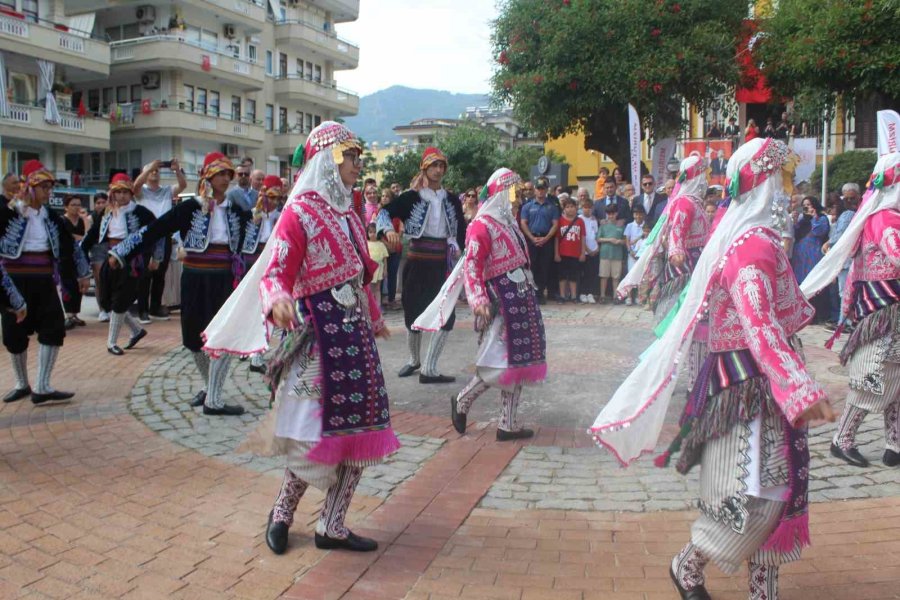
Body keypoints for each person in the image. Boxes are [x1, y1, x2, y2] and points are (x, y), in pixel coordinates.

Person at [591, 138, 835, 600]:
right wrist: (801, 389)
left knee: (773, 488)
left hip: (764, 381)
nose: (788, 191)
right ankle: (689, 562)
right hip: (747, 382)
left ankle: (763, 590)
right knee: (752, 492)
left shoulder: (753, 239)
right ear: (762, 186)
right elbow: (759, 326)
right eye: (781, 181)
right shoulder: (750, 250)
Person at [202, 121, 400, 555]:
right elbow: (275, 271)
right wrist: (277, 300)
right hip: (319, 340)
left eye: (357, 156)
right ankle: (282, 513)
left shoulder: (348, 212)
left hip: (354, 337)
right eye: (349, 156)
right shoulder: (299, 212)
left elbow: (360, 275)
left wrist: (373, 315)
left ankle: (332, 524)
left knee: (359, 430)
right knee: (314, 436)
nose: (357, 164)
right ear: (329, 160)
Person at [110, 152, 250, 416]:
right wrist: (121, 251)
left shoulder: (238, 211)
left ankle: (215, 400)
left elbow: (253, 241)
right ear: (208, 176)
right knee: (193, 337)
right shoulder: (189, 208)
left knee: (223, 334)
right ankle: (210, 388)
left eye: (227, 174)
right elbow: (155, 229)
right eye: (220, 174)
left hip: (223, 279)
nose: (225, 179)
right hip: (195, 277)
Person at [414, 168, 546, 441]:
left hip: (520, 300)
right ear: (501, 194)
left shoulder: (509, 225)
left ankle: (507, 424)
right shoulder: (481, 225)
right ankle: (463, 401)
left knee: (517, 363)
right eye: (514, 192)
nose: (518, 198)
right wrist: (478, 300)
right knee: (499, 363)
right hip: (501, 304)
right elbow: (471, 266)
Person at [800, 152, 900, 469]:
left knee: (896, 381)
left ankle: (894, 443)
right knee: (872, 377)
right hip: (882, 313)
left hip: (890, 313)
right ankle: (842, 439)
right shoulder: (884, 219)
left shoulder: (884, 216)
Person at [1, 160, 90, 404]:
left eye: (50, 188)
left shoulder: (50, 215)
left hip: (43, 279)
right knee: (14, 333)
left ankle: (42, 386)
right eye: (44, 187)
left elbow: (69, 244)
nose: (49, 192)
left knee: (53, 328)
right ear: (30, 186)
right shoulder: (8, 210)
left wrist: (83, 273)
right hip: (14, 281)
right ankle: (22, 384)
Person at [376, 147, 466, 383]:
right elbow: (383, 213)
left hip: (442, 264)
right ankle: (413, 359)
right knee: (413, 310)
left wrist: (463, 248)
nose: (438, 170)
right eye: (434, 165)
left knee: (446, 313)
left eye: (441, 166)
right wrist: (387, 230)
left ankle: (429, 368)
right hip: (416, 262)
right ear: (424, 168)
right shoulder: (411, 197)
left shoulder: (452, 199)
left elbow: (463, 231)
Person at [620, 154, 711, 322]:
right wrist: (676, 250)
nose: (706, 180)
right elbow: (677, 228)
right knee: (682, 311)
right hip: (685, 263)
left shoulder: (695, 202)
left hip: (697, 260)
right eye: (703, 175)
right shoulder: (685, 202)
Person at [80, 174, 156, 355]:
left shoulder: (141, 213)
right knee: (109, 300)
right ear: (112, 194)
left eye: (125, 192)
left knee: (121, 300)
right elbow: (92, 236)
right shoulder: (105, 214)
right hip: (111, 258)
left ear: (131, 193)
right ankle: (137, 330)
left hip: (132, 262)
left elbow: (156, 234)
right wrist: (81, 254)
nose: (121, 196)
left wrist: (155, 257)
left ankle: (111, 342)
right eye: (118, 192)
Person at [133, 159, 187, 323]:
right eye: (151, 171)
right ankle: (142, 310)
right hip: (146, 235)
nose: (154, 172)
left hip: (164, 235)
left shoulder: (166, 190)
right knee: (144, 275)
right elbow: (134, 187)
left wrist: (177, 171)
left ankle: (155, 307)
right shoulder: (141, 190)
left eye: (156, 171)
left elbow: (182, 186)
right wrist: (148, 168)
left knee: (160, 273)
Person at [241, 175, 283, 374]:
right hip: (251, 262)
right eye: (271, 197)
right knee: (250, 306)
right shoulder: (250, 214)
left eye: (277, 198)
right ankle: (247, 348)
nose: (274, 202)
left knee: (269, 307)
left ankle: (257, 354)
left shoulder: (283, 216)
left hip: (273, 263)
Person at [822, 183, 861, 331]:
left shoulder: (849, 214)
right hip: (848, 258)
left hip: (848, 258)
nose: (850, 201)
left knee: (845, 292)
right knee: (845, 292)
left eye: (853, 198)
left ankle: (845, 323)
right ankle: (843, 321)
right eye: (847, 198)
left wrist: (829, 244)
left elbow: (839, 236)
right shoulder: (852, 213)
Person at [519, 178, 560, 304]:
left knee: (544, 267)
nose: (540, 191)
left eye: (543, 189)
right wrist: (532, 238)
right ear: (535, 190)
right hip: (532, 239)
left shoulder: (552, 207)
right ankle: (531, 294)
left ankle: (540, 293)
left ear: (547, 190)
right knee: (532, 267)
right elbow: (523, 223)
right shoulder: (527, 206)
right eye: (538, 188)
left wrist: (546, 238)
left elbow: (555, 224)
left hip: (546, 240)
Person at [61, 195, 87, 329]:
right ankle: (69, 315)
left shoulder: (82, 221)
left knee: (79, 286)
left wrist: (84, 219)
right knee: (68, 285)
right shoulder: (62, 221)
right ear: (66, 206)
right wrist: (78, 238)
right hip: (65, 258)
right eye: (73, 204)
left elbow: (87, 236)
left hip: (80, 257)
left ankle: (75, 313)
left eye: (78, 204)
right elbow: (68, 238)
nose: (76, 207)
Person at [554, 196, 586, 303]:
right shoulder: (560, 221)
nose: (570, 209)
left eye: (572, 206)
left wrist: (582, 253)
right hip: (563, 253)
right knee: (562, 276)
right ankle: (562, 296)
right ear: (564, 209)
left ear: (576, 208)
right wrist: (556, 253)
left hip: (575, 253)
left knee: (573, 276)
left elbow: (582, 237)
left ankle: (573, 296)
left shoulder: (580, 221)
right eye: (567, 207)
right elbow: (557, 238)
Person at [791, 196, 829, 285]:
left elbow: (818, 231)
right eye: (804, 205)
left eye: (809, 205)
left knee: (812, 281)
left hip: (813, 254)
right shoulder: (802, 220)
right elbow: (795, 234)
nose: (806, 207)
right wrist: (795, 221)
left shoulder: (822, 218)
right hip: (800, 256)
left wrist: (814, 217)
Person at [88, 192, 111, 322]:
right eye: (98, 203)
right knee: (99, 280)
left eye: (103, 202)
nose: (101, 205)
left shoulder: (113, 215)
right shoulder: (91, 218)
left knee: (112, 279)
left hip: (111, 247)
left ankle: (111, 307)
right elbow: (87, 236)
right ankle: (102, 309)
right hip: (97, 249)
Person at [597, 204, 625, 303]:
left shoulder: (621, 225)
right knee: (604, 276)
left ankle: (615, 296)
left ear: (616, 213)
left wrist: (620, 241)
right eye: (609, 214)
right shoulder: (603, 225)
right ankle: (602, 296)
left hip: (617, 254)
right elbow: (598, 238)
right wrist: (610, 240)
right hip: (605, 254)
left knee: (616, 277)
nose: (611, 216)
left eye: (613, 214)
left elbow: (625, 240)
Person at [379, 189, 402, 310]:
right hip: (382, 249)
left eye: (387, 196)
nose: (384, 198)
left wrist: (395, 243)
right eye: (382, 196)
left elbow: (401, 230)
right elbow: (376, 232)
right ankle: (381, 299)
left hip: (396, 248)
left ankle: (391, 299)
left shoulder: (397, 213)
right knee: (381, 275)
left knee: (393, 274)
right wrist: (386, 244)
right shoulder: (378, 213)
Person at [623, 206, 646, 306]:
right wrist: (630, 251)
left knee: (641, 276)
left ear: (643, 215)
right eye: (636, 214)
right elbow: (627, 240)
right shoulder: (629, 226)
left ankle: (638, 296)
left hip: (642, 255)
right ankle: (629, 297)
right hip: (632, 254)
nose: (638, 216)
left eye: (640, 214)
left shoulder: (646, 226)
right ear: (633, 215)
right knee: (630, 275)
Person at [578, 196, 599, 304]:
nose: (587, 209)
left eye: (589, 208)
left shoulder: (594, 220)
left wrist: (596, 248)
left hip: (594, 250)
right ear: (582, 208)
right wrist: (587, 249)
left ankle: (590, 292)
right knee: (583, 273)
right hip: (584, 251)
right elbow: (581, 237)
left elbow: (596, 235)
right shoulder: (579, 219)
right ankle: (582, 292)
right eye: (585, 207)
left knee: (592, 273)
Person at [367, 222, 388, 307]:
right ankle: (370, 306)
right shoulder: (366, 243)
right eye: (370, 232)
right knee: (370, 289)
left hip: (379, 268)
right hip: (370, 269)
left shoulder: (381, 244)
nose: (372, 234)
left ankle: (378, 306)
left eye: (374, 232)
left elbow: (385, 258)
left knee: (377, 288)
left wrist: (385, 270)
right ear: (367, 233)